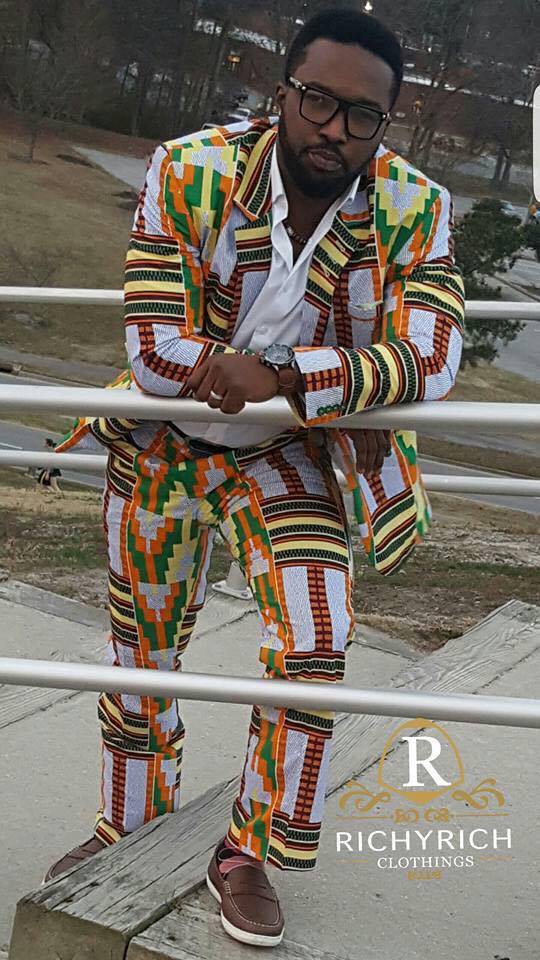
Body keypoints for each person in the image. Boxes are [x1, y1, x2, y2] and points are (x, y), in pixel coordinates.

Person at [49, 8, 464, 947]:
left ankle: (249, 852)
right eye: (317, 100)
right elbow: (153, 347)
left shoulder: (415, 207)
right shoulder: (187, 168)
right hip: (161, 443)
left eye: (362, 115)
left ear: (385, 123)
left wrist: (281, 378)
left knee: (316, 638)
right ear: (282, 92)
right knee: (141, 650)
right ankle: (129, 826)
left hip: (291, 451)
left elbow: (432, 357)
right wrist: (279, 375)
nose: (334, 128)